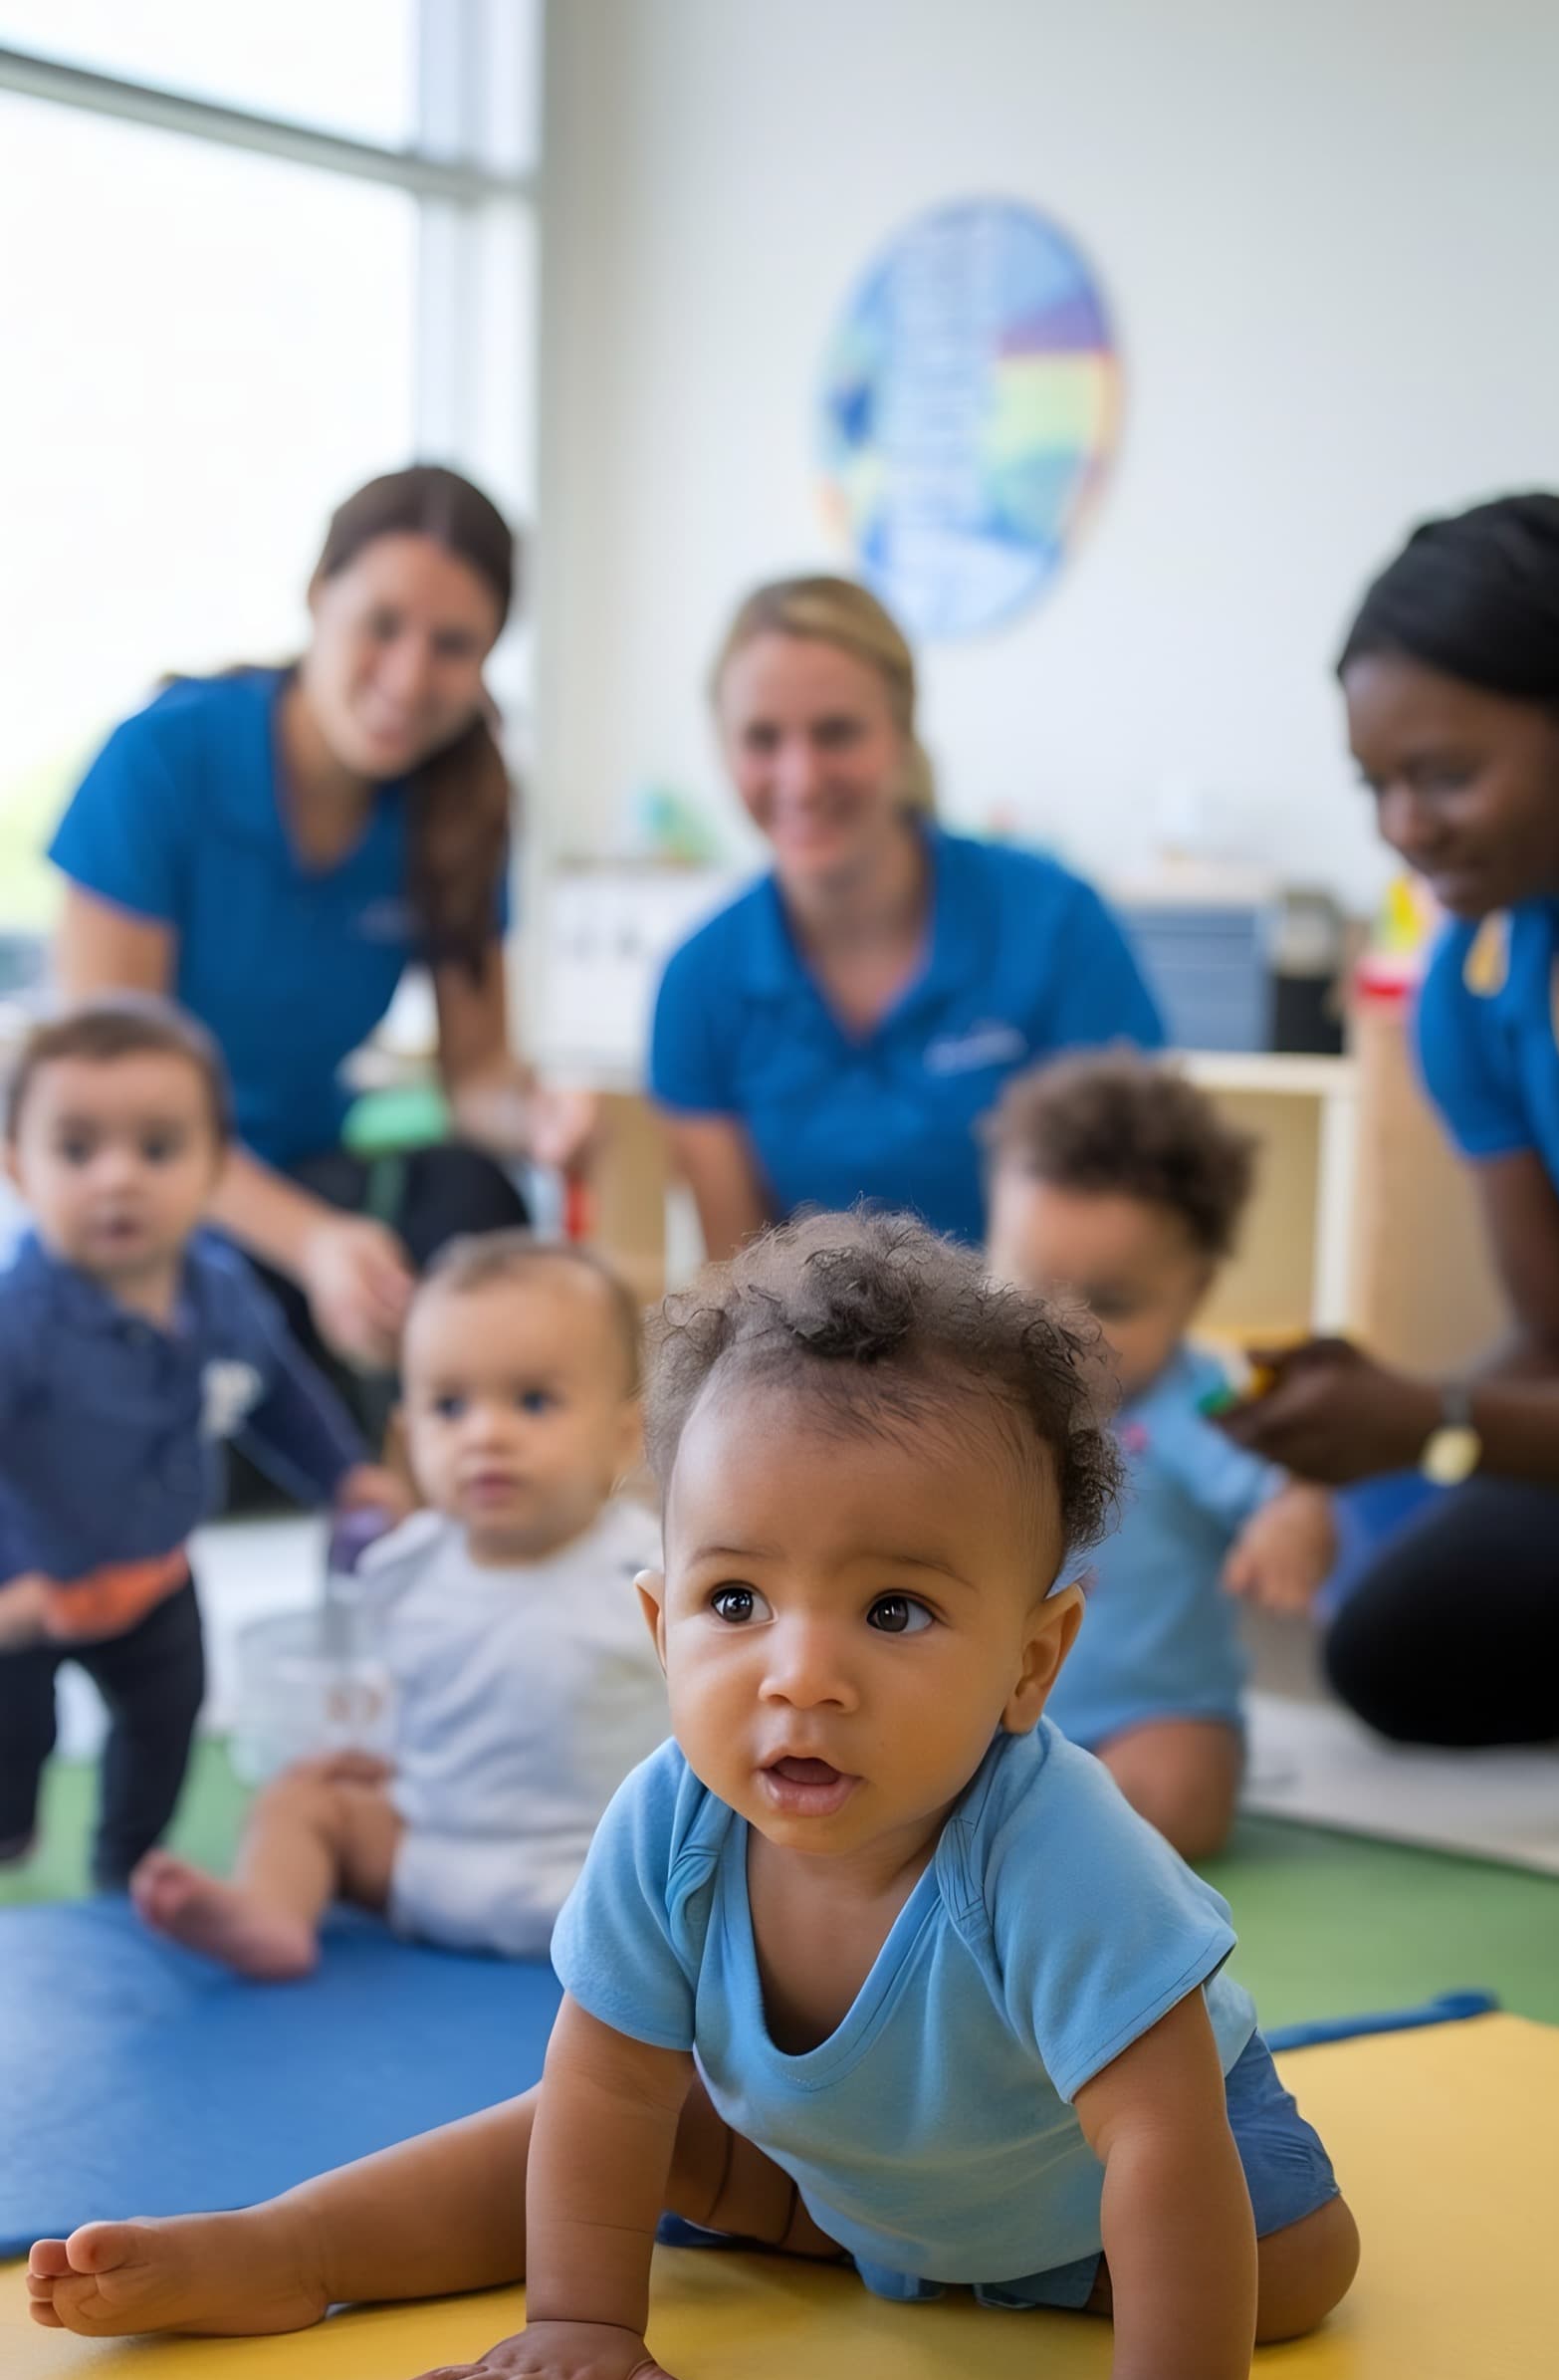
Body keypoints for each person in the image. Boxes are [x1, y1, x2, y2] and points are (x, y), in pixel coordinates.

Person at [30, 1215, 1359, 2380]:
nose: (801, 1674)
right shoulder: (669, 1819)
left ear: (1034, 1659)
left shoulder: (1056, 1847)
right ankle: (295, 2248)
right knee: (595, 2121)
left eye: (893, 1611)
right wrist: (582, 2321)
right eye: (736, 1602)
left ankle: (1068, 2297)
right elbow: (607, 2085)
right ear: (662, 1625)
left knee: (1296, 2275)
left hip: (1098, 2202)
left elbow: (1159, 2140)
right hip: (843, 2181)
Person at [48, 464, 593, 1393]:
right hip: (147, 1191)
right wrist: (311, 1242)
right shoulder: (159, 763)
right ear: (317, 596)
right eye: (382, 624)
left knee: (475, 1202)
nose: (409, 678)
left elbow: (475, 1076)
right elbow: (110, 1116)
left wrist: (535, 1116)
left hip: (309, 1176)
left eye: (453, 645)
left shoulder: (461, 805)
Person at [1220, 494, 1559, 1747]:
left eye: (1444, 775)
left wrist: (1437, 1420)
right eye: (1376, 784)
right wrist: (1359, 1420)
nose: (1401, 828)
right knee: (1392, 1641)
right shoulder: (1480, 984)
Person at [131, 1232, 669, 1975]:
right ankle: (269, 1915)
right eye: (450, 1407)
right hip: (428, 1863)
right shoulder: (405, 1569)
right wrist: (377, 1759)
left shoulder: (651, 1572)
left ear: (623, 1436)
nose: (486, 1434)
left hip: (609, 1888)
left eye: (533, 1401)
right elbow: (432, 1702)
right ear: (408, 1435)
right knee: (299, 1799)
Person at [649, 576, 1164, 1256]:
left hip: (1038, 1319)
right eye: (762, 739)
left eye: (836, 732)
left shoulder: (1057, 927)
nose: (800, 778)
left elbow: (1122, 1240)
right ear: (723, 751)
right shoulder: (699, 982)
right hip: (805, 1328)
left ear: (901, 732)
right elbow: (738, 1274)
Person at [0, 999, 392, 1888]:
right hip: (29, 1592)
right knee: (15, 1737)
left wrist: (345, 1474)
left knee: (163, 1724)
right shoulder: (19, 1320)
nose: (118, 1179)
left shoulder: (219, 1293)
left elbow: (277, 1393)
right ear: (18, 1167)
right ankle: (11, 1821)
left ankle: (125, 1863)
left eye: (158, 1148)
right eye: (77, 1150)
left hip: (153, 1577)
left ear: (217, 1166)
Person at [986, 1057, 1337, 1857]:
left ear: (1195, 1290)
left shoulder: (1198, 1406)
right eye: (1029, 1287)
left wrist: (1295, 1514)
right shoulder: (975, 1402)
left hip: (1150, 1713)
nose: (1065, 1329)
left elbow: (1282, 1481)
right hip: (988, 1707)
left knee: (1181, 1794)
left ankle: (1069, 1853)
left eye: (1110, 1303)